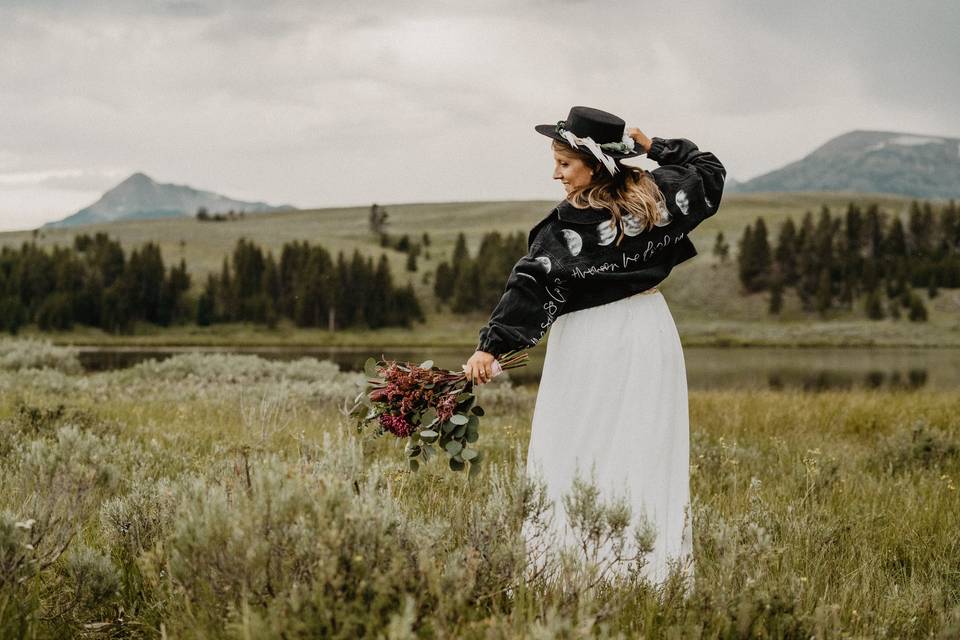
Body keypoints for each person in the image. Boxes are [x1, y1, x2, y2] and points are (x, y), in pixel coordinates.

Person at [462, 105, 726, 586]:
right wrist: (656, 148)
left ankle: (567, 569)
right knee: (642, 444)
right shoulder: (659, 194)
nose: (556, 174)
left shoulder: (568, 224)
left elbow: (530, 283)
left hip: (591, 340)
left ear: (594, 163)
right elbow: (708, 170)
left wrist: (491, 347)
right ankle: (648, 573)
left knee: (575, 441)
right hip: (650, 332)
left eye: (564, 163)